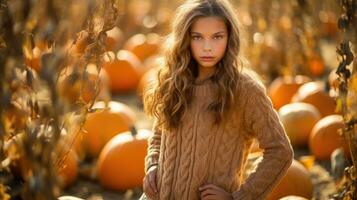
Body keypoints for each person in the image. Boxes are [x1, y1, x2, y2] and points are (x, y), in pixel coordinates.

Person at [141, 0, 294, 199]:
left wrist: (239, 197)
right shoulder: (175, 80)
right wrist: (153, 164)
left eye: (217, 37)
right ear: (185, 39)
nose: (207, 47)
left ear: (230, 38)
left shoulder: (245, 90)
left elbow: (280, 150)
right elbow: (161, 132)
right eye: (197, 37)